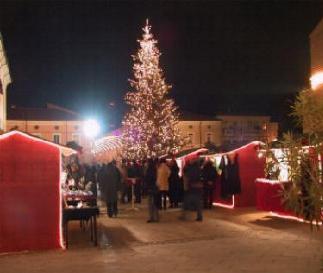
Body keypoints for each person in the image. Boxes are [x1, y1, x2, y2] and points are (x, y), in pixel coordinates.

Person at [145, 158, 159, 223]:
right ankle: (156, 217)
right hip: (155, 188)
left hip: (150, 188)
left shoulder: (148, 170)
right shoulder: (155, 169)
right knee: (155, 202)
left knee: (150, 203)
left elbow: (147, 179)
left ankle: (151, 217)